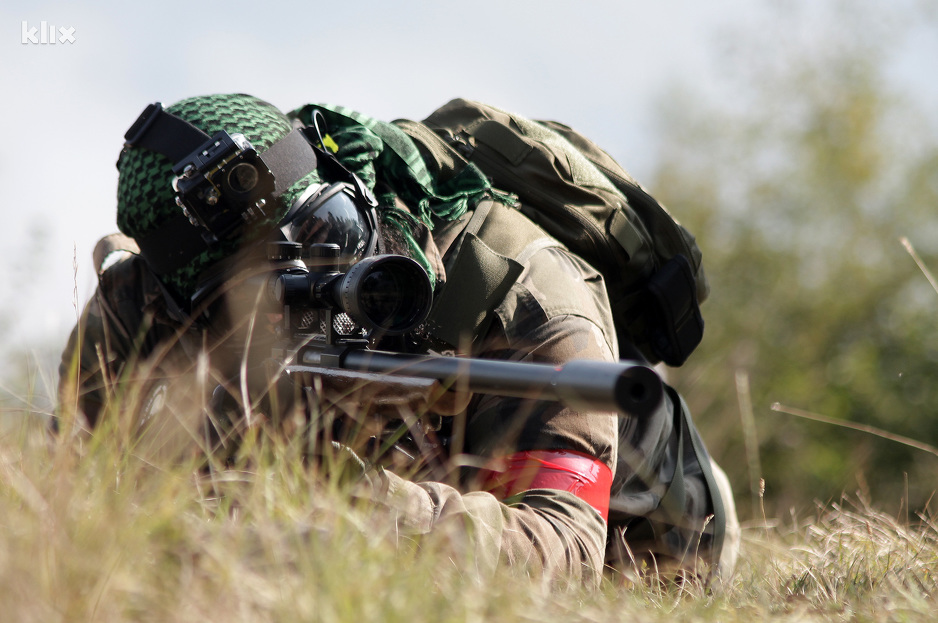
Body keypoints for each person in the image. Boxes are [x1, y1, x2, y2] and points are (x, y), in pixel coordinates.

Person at [58, 93, 739, 586]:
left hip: (641, 555)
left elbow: (562, 549)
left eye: (329, 232)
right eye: (256, 296)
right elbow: (68, 473)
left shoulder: (516, 286)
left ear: (344, 187)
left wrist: (367, 507)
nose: (322, 282)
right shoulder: (146, 299)